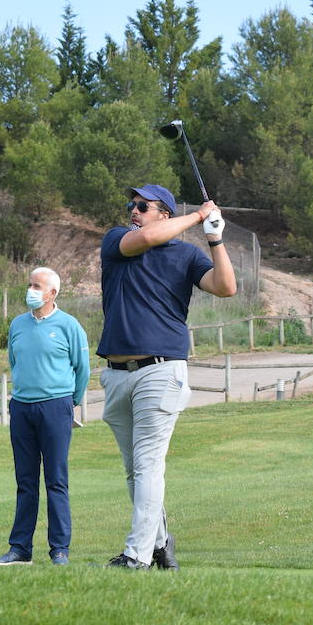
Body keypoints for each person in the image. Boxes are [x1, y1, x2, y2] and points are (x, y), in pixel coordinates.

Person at [98, 183, 236, 570]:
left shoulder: (187, 255)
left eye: (143, 206)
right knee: (133, 471)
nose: (134, 210)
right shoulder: (117, 241)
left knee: (147, 465)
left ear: (164, 213)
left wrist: (215, 238)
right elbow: (146, 238)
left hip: (162, 370)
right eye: (132, 204)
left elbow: (226, 287)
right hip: (116, 373)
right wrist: (197, 214)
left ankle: (136, 556)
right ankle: (159, 543)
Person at [0, 267, 90, 567]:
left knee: (56, 481)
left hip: (56, 407)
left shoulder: (69, 326)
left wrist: (68, 403)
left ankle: (60, 549)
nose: (30, 290)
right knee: (25, 481)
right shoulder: (17, 325)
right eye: (29, 284)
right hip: (22, 407)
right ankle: (20, 549)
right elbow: (14, 360)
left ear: (52, 293)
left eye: (37, 286)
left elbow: (82, 370)